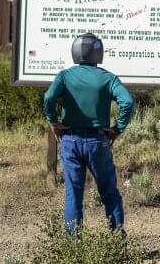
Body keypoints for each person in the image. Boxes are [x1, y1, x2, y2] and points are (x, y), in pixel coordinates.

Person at [44, 32, 135, 231]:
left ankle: (74, 245)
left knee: (73, 194)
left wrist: (53, 121)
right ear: (98, 53)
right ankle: (117, 240)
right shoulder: (108, 78)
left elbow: (49, 97)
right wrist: (117, 129)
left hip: (71, 140)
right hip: (98, 141)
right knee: (109, 192)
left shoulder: (65, 76)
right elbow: (127, 102)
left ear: (75, 52)